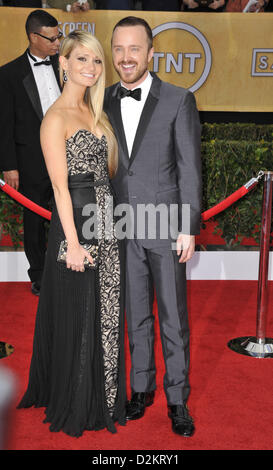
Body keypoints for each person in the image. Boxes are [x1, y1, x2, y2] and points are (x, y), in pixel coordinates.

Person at [17, 30, 126, 437]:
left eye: (96, 61)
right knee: (80, 313)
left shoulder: (96, 113)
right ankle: (78, 399)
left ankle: (105, 395)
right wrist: (74, 245)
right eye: (82, 59)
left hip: (107, 222)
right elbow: (60, 188)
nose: (91, 68)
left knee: (106, 310)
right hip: (75, 226)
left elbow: (108, 178)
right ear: (62, 63)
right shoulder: (55, 118)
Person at [104, 16, 202, 437]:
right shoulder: (102, 99)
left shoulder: (179, 100)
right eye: (120, 49)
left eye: (135, 49)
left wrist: (188, 226)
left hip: (165, 226)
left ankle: (177, 398)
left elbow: (189, 169)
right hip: (122, 226)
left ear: (151, 53)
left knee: (173, 318)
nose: (127, 57)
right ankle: (140, 387)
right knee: (135, 314)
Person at [0, 10, 61, 296]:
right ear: (33, 37)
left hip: (66, 155)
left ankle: (66, 268)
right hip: (30, 160)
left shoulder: (66, 66)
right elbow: (5, 124)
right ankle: (38, 275)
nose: (57, 43)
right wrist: (9, 166)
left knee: (67, 214)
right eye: (51, 38)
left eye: (59, 36)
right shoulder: (9, 74)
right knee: (34, 220)